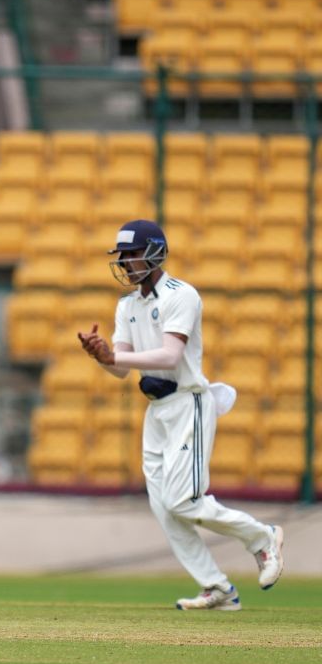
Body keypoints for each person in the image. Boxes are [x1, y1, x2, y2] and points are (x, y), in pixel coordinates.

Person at [77, 219, 285, 611]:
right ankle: (217, 588)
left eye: (132, 254)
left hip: (188, 403)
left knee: (183, 501)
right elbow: (121, 369)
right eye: (122, 256)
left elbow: (170, 356)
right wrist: (100, 356)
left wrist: (113, 355)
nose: (125, 262)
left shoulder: (181, 295)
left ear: (155, 253)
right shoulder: (128, 305)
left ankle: (262, 537)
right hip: (156, 412)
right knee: (162, 506)